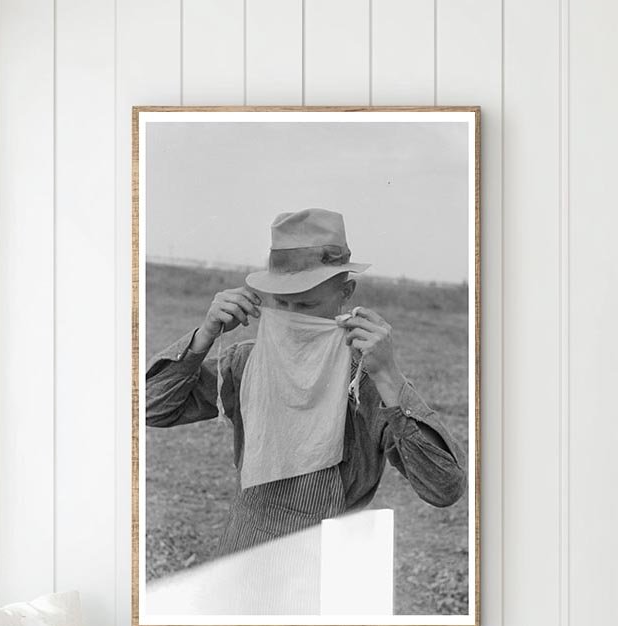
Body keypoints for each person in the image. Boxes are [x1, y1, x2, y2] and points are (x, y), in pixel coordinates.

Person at [145, 208, 466, 560]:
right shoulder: (248, 362)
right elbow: (151, 408)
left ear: (346, 292)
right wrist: (204, 336)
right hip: (245, 555)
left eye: (307, 303)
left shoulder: (368, 380)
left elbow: (444, 487)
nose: (292, 314)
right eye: (281, 302)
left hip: (331, 565)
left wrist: (389, 376)